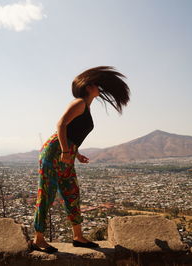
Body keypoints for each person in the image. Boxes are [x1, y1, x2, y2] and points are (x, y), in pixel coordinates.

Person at [31, 66, 130, 253]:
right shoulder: (79, 103)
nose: (99, 88)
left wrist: (75, 153)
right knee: (47, 194)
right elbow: (61, 125)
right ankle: (38, 239)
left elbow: (71, 132)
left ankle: (78, 236)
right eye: (96, 85)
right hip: (54, 152)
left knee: (72, 193)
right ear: (88, 87)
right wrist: (66, 152)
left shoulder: (86, 107)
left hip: (66, 152)